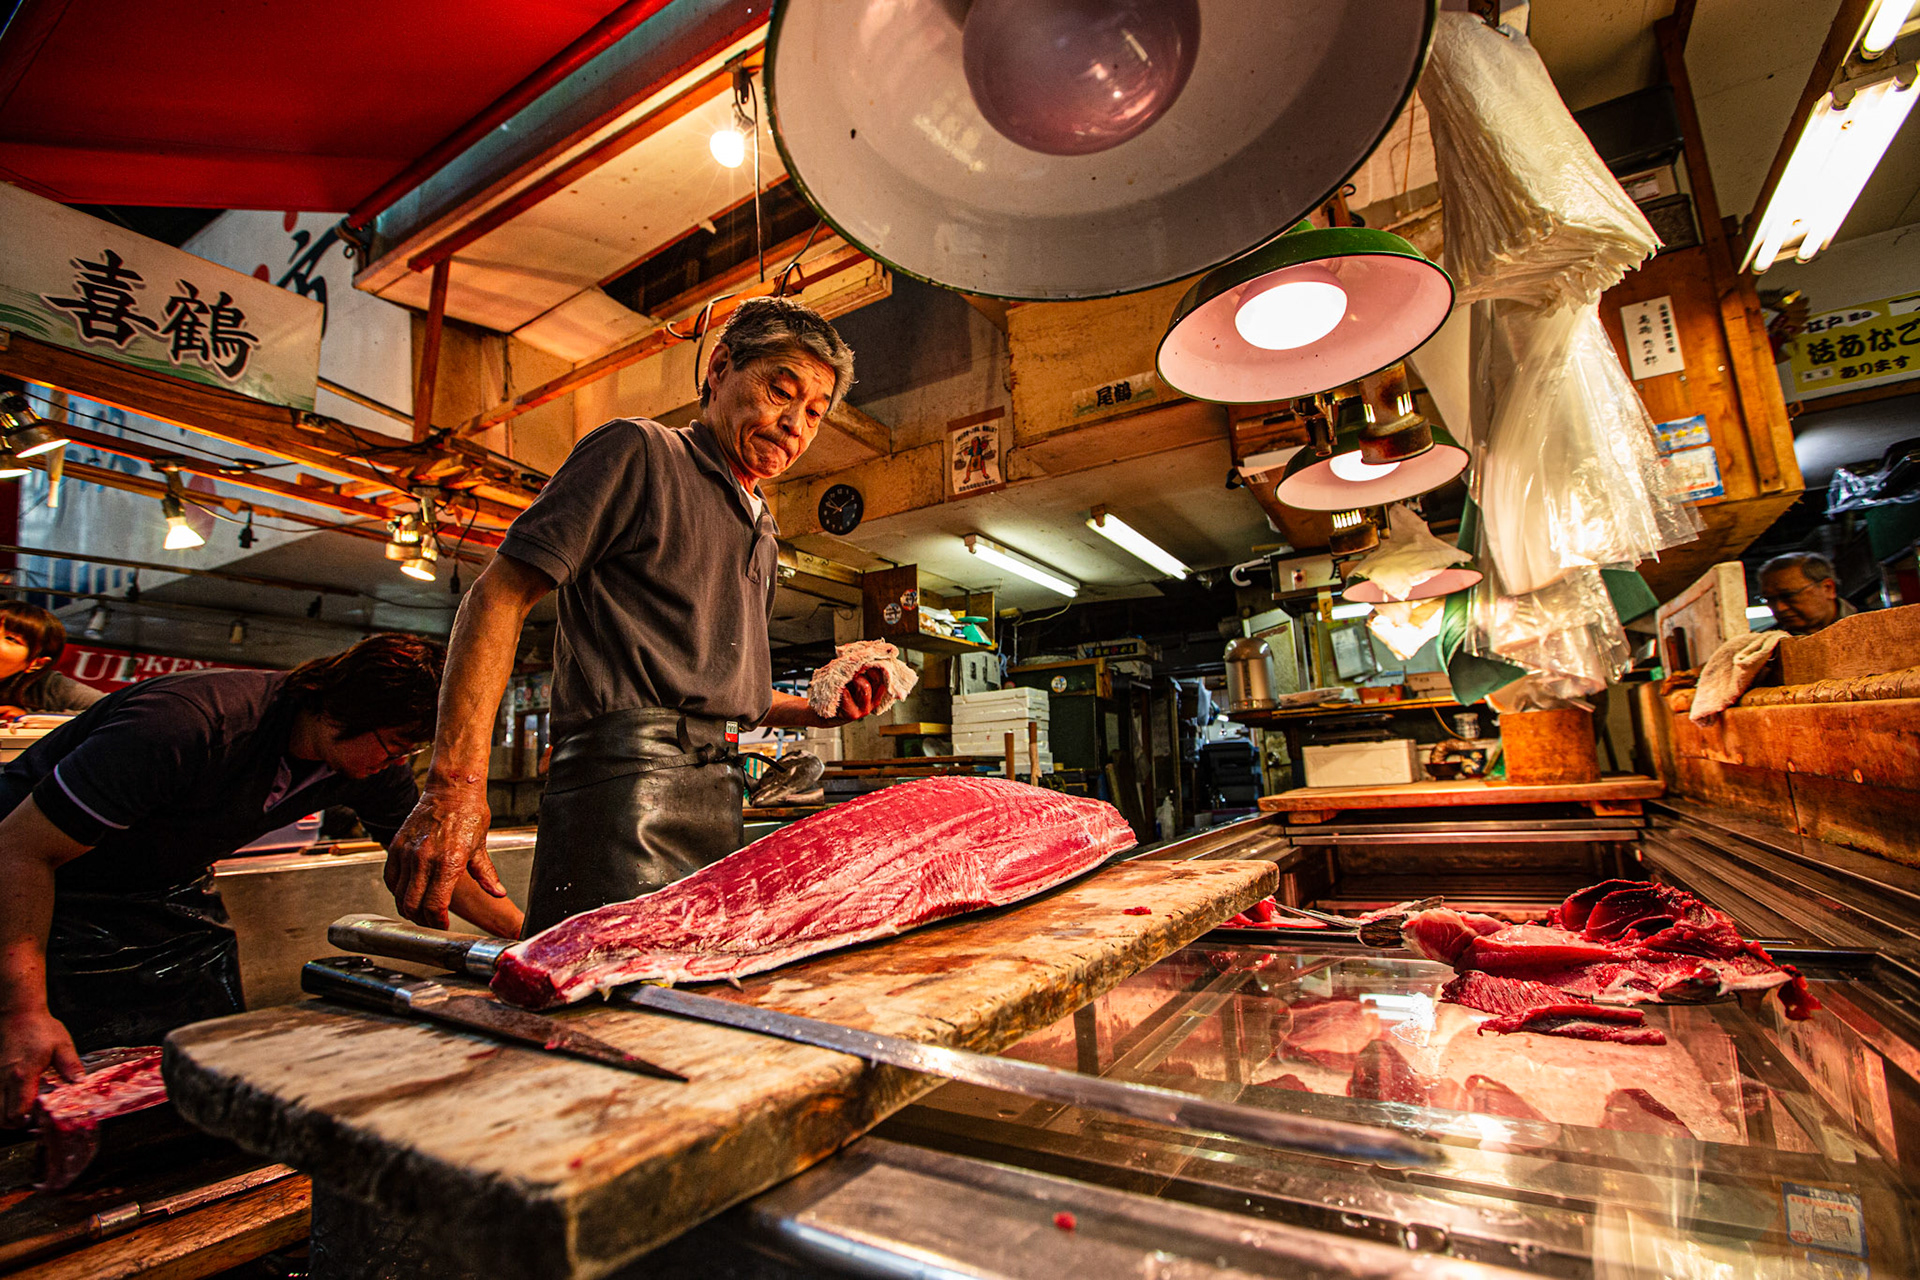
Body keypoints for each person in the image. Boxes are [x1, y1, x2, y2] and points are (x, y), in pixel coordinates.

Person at [387, 297, 891, 936]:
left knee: (693, 1006)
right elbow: (496, 596)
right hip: (623, 789)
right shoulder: (639, 453)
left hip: (718, 792)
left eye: (814, 414)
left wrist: (820, 706)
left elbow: (728, 695)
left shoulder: (762, 524)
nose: (794, 424)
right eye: (779, 391)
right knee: (604, 1003)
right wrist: (454, 785)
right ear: (720, 368)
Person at [0, 633, 517, 1122]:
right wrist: (23, 1010)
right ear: (344, 709)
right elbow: (21, 850)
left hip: (159, 892)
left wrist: (532, 941)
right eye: (397, 744)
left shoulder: (371, 765)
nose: (398, 762)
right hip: (32, 889)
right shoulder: (187, 723)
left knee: (186, 1083)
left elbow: (435, 864)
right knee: (43, 1085)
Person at [0, 602, 103, 717]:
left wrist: (32, 717)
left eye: (11, 639)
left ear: (36, 663)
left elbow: (117, 710)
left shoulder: (47, 686)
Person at [1756, 552, 1857, 636]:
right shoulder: (1766, 651)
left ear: (1828, 588)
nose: (1779, 608)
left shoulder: (1871, 626)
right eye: (1769, 599)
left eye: (1788, 595)